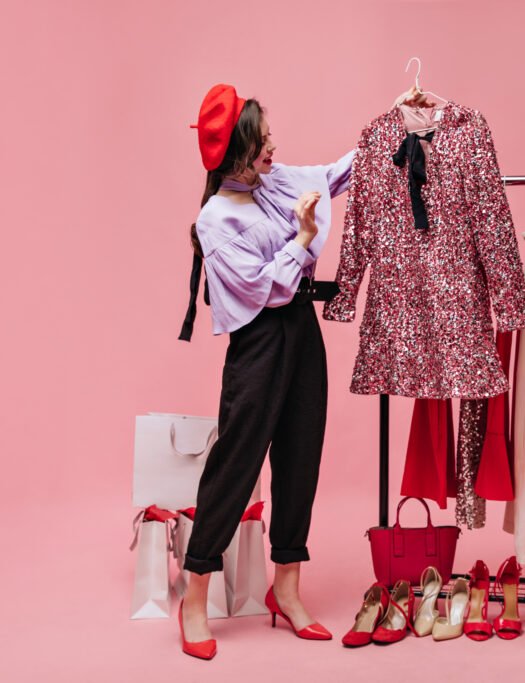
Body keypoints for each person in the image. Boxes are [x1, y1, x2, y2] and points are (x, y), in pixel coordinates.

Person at [175, 83, 355, 659]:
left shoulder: (273, 183)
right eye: (263, 142)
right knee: (236, 464)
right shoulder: (215, 219)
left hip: (304, 335)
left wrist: (387, 136)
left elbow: (329, 176)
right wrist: (303, 238)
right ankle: (195, 596)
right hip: (258, 345)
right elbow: (263, 290)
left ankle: (288, 589)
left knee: (301, 459)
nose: (274, 149)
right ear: (238, 153)